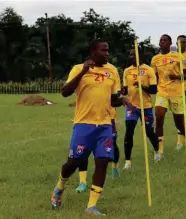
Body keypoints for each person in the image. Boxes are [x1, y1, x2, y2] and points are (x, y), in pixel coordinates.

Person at [50, 39, 132, 216]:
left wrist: (123, 100)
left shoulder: (112, 71)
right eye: (104, 50)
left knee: (102, 162)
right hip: (83, 124)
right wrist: (84, 72)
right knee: (74, 163)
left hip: (104, 125)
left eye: (108, 50)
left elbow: (112, 100)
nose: (107, 54)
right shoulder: (79, 68)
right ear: (93, 51)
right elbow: (65, 92)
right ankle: (60, 186)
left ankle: (91, 206)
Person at [151, 34, 186, 159]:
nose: (162, 42)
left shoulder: (178, 57)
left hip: (176, 93)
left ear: (170, 44)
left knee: (179, 124)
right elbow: (154, 77)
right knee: (159, 116)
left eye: (165, 40)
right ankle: (159, 151)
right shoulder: (155, 59)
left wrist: (175, 77)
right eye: (160, 40)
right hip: (162, 93)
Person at [75, 79, 122, 193]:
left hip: (107, 118)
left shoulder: (111, 71)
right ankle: (83, 182)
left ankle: (115, 167)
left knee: (112, 147)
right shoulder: (86, 72)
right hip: (87, 119)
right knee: (83, 150)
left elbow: (115, 97)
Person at [122, 46, 160, 169]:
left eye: (133, 54)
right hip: (132, 107)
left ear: (140, 55)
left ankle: (157, 151)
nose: (131, 57)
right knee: (129, 132)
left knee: (149, 132)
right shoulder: (127, 71)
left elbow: (154, 90)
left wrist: (142, 86)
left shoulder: (149, 70)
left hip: (146, 107)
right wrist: (122, 92)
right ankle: (128, 161)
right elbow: (125, 90)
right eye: (130, 54)